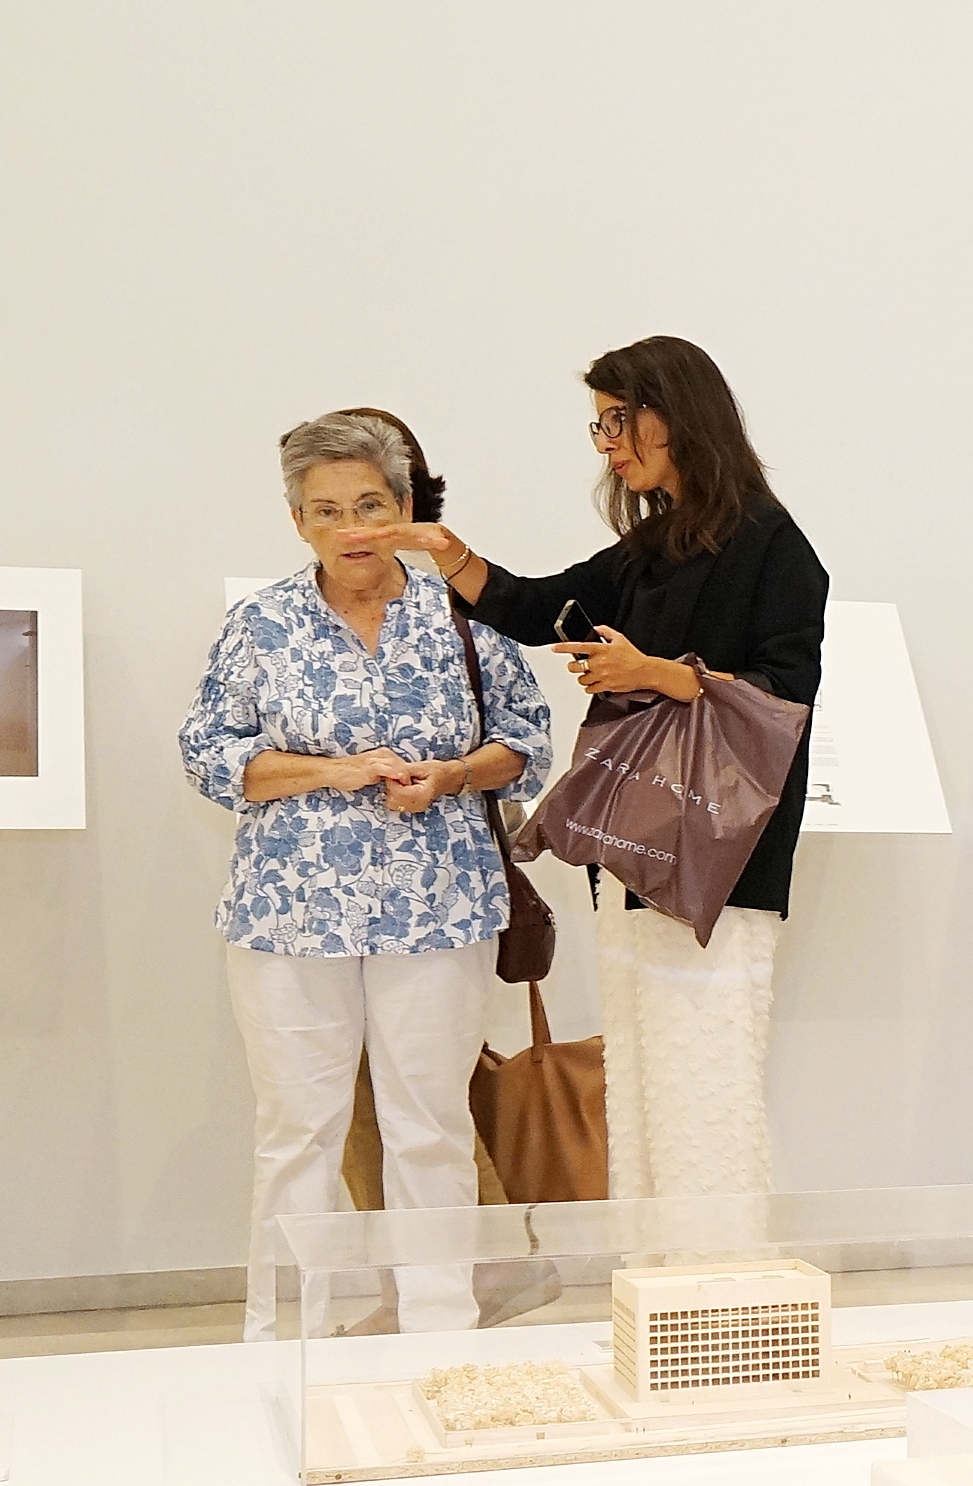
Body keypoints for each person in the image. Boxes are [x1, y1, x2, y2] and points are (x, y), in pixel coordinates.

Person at [369, 335, 826, 1199]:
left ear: (676, 414)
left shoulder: (772, 543)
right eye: (600, 426)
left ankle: (717, 1263)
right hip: (635, 846)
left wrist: (655, 673)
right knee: (644, 1071)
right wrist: (445, 550)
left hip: (720, 856)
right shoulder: (656, 545)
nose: (608, 444)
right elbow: (536, 607)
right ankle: (655, 1258)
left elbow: (785, 695)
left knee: (706, 1069)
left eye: (619, 420)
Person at [182, 415, 552, 1334]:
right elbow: (209, 754)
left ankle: (438, 1330)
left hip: (440, 907)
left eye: (370, 506)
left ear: (404, 509)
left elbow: (527, 741)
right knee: (296, 1134)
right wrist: (333, 771)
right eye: (326, 510)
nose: (351, 529)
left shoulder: (463, 613)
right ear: (297, 520)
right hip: (288, 913)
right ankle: (283, 1339)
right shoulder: (262, 623)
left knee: (429, 1124)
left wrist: (454, 774)